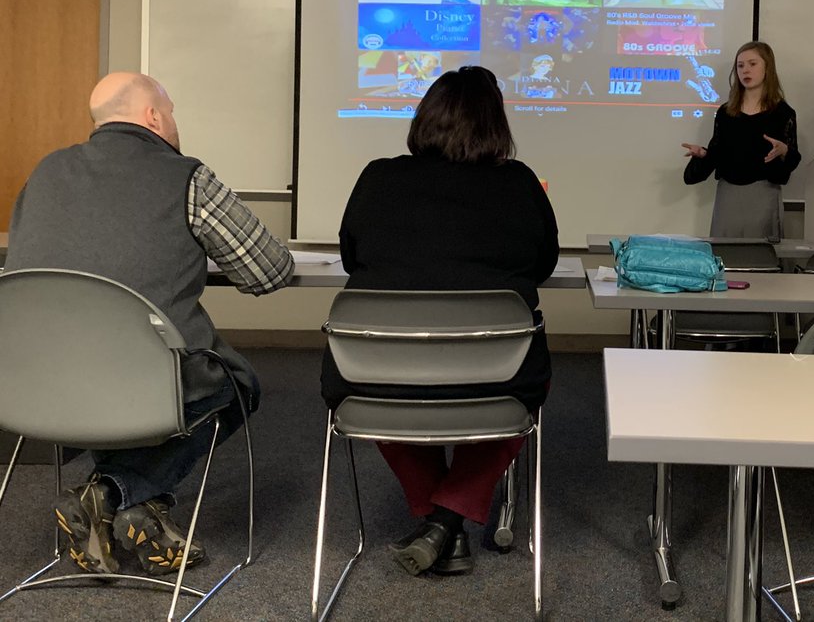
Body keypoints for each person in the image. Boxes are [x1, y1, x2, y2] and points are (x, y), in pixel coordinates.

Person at [5, 72, 294, 576]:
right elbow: (269, 273)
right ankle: (115, 494)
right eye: (173, 111)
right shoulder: (187, 177)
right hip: (144, 384)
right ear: (154, 117)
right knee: (235, 381)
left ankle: (141, 511)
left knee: (119, 373)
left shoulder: (45, 171)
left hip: (35, 387)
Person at [321, 65, 558, 577]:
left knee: (372, 371)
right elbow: (543, 265)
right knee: (517, 387)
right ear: (497, 125)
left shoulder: (378, 177)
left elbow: (352, 257)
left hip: (379, 378)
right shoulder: (518, 184)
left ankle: (437, 520)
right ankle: (448, 518)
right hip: (496, 380)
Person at [682, 41, 801, 239]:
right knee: (727, 255)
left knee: (760, 258)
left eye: (752, 64)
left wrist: (784, 151)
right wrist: (703, 154)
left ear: (767, 68)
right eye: (740, 65)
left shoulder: (782, 113)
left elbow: (791, 161)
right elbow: (718, 154)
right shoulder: (726, 112)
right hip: (728, 196)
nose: (745, 70)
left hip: (763, 195)